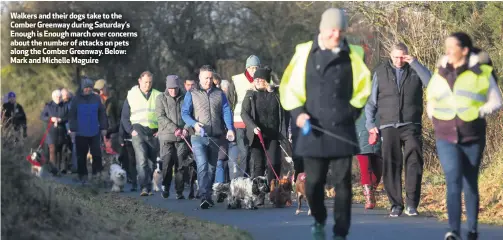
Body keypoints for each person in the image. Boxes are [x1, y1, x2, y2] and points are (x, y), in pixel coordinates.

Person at [279, 8, 372, 239]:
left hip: (342, 126)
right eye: (332, 30)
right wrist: (299, 112)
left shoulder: (354, 53)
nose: (336, 35)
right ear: (322, 28)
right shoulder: (304, 52)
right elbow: (289, 85)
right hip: (313, 128)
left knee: (343, 184)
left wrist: (352, 112)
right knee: (313, 183)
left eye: (340, 30)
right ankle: (319, 219)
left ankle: (341, 231)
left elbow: (363, 89)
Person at [426, 32, 503, 240]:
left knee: (470, 183)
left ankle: (472, 229)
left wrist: (478, 113)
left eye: (452, 47)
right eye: (446, 47)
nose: (448, 51)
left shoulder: (481, 72)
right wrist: (434, 117)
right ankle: (453, 231)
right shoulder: (440, 71)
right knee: (453, 180)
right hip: (445, 135)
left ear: (465, 50)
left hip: (472, 136)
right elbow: (431, 98)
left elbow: (496, 100)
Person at [365, 42, 432, 217]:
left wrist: (415, 63)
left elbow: (431, 83)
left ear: (407, 55)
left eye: (402, 56)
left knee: (414, 163)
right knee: (391, 165)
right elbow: (372, 101)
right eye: (396, 56)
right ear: (390, 55)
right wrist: (370, 124)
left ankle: (411, 204)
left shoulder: (415, 70)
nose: (399, 60)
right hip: (388, 125)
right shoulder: (380, 72)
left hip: (411, 124)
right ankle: (396, 204)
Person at [181, 65, 234, 209]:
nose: (208, 81)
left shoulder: (219, 93)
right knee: (202, 165)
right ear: (200, 78)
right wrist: (194, 124)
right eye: (206, 78)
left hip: (215, 136)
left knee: (211, 168)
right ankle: (204, 196)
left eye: (211, 78)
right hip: (198, 136)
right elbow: (185, 113)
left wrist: (230, 128)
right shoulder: (192, 93)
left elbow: (226, 111)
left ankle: (208, 194)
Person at [242, 66, 289, 203]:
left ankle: (273, 192)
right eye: (255, 79)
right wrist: (253, 127)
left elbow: (285, 109)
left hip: (273, 134)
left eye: (260, 79)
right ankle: (259, 195)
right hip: (257, 135)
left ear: (267, 81)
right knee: (258, 165)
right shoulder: (250, 94)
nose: (257, 81)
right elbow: (244, 113)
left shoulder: (276, 94)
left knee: (273, 163)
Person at [122, 71, 162, 196]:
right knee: (142, 160)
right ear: (139, 81)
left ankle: (149, 184)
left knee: (151, 161)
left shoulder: (158, 95)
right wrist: (130, 130)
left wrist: (160, 130)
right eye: (145, 82)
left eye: (150, 82)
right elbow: (124, 116)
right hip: (137, 131)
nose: (147, 85)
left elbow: (163, 115)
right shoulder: (132, 95)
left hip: (153, 132)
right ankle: (145, 187)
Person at [156, 75, 191, 199]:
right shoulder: (161, 98)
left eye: (175, 88)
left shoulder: (186, 97)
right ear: (167, 87)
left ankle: (179, 191)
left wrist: (186, 128)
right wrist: (174, 128)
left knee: (181, 164)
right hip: (166, 136)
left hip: (182, 136)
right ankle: (165, 186)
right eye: (170, 88)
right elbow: (160, 116)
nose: (173, 91)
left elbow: (190, 114)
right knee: (167, 162)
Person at [68, 78, 108, 183]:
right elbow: (72, 116)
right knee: (81, 156)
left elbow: (102, 114)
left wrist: (104, 127)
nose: (88, 89)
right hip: (80, 132)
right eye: (86, 87)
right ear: (82, 88)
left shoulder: (96, 98)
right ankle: (83, 176)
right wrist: (72, 129)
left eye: (90, 87)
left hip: (94, 131)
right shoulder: (76, 100)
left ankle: (97, 176)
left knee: (97, 155)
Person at [231, 55, 261, 175]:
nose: (254, 70)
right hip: (240, 121)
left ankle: (254, 180)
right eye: (252, 68)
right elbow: (230, 101)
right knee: (244, 152)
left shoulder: (263, 80)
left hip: (255, 123)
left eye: (256, 67)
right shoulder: (236, 80)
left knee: (254, 152)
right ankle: (243, 179)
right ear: (247, 68)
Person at [355, 110, 382, 209]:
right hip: (360, 132)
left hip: (378, 130)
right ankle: (369, 198)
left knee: (378, 169)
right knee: (365, 168)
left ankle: (371, 192)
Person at [40, 89, 69, 175]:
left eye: (60, 97)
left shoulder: (65, 106)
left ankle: (59, 168)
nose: (58, 98)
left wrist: (61, 120)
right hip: (51, 131)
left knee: (61, 150)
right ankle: (53, 169)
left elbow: (68, 116)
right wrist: (50, 119)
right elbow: (42, 116)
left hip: (62, 131)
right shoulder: (48, 106)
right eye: (56, 97)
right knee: (52, 149)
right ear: (53, 97)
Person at [94, 79, 120, 155]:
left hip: (112, 134)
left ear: (106, 88)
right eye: (98, 90)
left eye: (101, 89)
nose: (100, 92)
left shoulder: (113, 100)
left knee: (113, 157)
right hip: (99, 134)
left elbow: (118, 116)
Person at [118, 101, 137, 191]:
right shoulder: (126, 112)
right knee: (131, 161)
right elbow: (122, 125)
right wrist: (121, 139)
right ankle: (133, 182)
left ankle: (142, 180)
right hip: (128, 140)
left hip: (140, 139)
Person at [61, 88, 77, 173]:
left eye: (67, 94)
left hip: (71, 128)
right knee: (64, 148)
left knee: (73, 147)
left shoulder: (73, 103)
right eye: (64, 95)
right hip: (62, 129)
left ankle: (74, 167)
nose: (65, 96)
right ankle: (64, 167)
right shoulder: (60, 104)